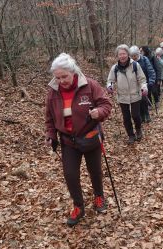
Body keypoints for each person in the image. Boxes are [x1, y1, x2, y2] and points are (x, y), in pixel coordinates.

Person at [45, 53, 112, 227]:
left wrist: (99, 112)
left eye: (64, 76)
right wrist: (51, 135)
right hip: (68, 141)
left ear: (73, 72)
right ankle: (78, 206)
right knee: (70, 175)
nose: (61, 81)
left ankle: (99, 197)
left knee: (95, 170)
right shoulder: (53, 91)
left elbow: (106, 104)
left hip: (90, 136)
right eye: (57, 77)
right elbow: (49, 118)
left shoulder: (89, 85)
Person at [106, 44, 147, 144]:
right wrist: (109, 86)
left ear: (127, 54)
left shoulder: (135, 65)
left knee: (136, 115)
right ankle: (131, 135)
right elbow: (110, 80)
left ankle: (138, 130)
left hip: (135, 95)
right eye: (120, 54)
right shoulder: (115, 68)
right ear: (117, 56)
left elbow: (142, 79)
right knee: (126, 118)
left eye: (124, 53)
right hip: (122, 97)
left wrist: (144, 87)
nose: (122, 56)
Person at [129, 45, 156, 123]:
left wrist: (151, 82)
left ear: (138, 54)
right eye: (132, 56)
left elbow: (150, 70)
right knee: (137, 101)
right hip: (134, 85)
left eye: (135, 55)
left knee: (144, 99)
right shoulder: (129, 62)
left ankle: (147, 114)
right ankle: (141, 116)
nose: (134, 57)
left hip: (144, 83)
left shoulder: (144, 59)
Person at [140, 46, 161, 110]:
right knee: (147, 92)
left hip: (152, 76)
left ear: (145, 51)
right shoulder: (141, 59)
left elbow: (157, 68)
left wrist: (158, 78)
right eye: (140, 51)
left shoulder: (152, 57)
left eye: (141, 51)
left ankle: (157, 102)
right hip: (144, 78)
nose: (140, 52)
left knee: (154, 91)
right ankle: (149, 104)